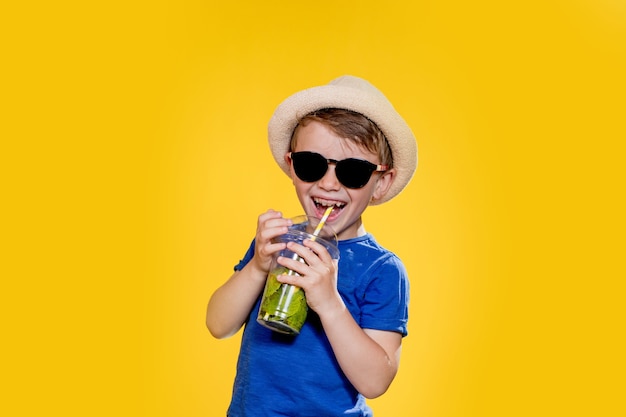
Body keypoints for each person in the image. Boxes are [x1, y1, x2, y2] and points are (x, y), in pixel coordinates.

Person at [206, 75, 418, 416]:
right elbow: (218, 324)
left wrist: (330, 304)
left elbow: (376, 381)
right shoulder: (277, 243)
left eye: (353, 172)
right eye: (312, 164)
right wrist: (259, 266)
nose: (328, 183)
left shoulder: (382, 270)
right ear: (292, 166)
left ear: (381, 183)